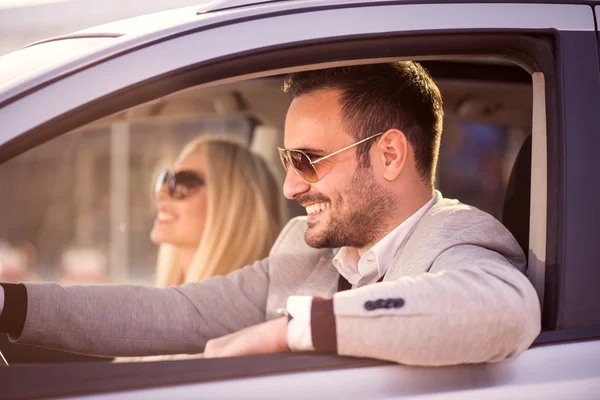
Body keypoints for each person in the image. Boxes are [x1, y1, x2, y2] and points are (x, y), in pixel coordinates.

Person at [0, 62, 541, 366]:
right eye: (287, 161)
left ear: (390, 155)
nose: (289, 185)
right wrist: (14, 305)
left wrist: (288, 332)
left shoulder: (454, 237)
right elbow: (174, 313)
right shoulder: (298, 253)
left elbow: (504, 309)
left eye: (307, 161)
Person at [116, 136, 284, 362]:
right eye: (165, 179)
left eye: (183, 183)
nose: (161, 192)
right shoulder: (163, 312)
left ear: (231, 203)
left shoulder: (234, 331)